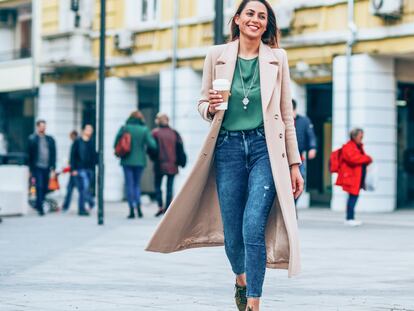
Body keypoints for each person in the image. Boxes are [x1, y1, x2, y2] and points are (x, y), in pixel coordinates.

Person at [146, 1, 303, 310]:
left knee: (252, 224)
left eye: (262, 16)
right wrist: (212, 106)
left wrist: (295, 164)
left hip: (265, 148)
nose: (255, 20)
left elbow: (287, 116)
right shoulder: (217, 55)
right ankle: (241, 279)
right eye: (250, 14)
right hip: (228, 148)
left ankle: (254, 302)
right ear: (237, 19)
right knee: (233, 232)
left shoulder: (278, 59)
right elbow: (203, 102)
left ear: (267, 24)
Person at [114, 110, 157, 219]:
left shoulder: (124, 128)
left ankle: (131, 209)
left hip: (126, 160)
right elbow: (152, 145)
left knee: (129, 184)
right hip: (140, 161)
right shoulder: (144, 129)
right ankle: (138, 207)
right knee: (137, 184)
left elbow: (115, 143)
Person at [336, 128, 372, 226]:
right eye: (361, 136)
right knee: (353, 197)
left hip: (357, 176)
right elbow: (354, 159)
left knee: (354, 197)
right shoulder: (349, 147)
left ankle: (350, 217)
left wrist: (366, 159)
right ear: (355, 136)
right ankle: (349, 218)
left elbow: (360, 158)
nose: (362, 138)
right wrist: (367, 158)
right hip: (351, 177)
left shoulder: (358, 146)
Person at [151, 113, 182, 217]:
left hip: (159, 164)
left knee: (157, 186)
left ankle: (160, 206)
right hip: (172, 164)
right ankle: (167, 209)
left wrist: (154, 158)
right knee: (169, 187)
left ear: (158, 121)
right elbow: (180, 149)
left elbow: (151, 149)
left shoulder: (155, 133)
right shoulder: (174, 133)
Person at [27, 120, 57, 216]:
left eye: (44, 126)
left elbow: (53, 154)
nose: (43, 128)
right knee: (39, 186)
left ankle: (40, 203)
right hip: (37, 167)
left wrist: (53, 168)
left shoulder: (50, 139)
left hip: (47, 167)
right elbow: (29, 154)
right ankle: (40, 207)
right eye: (41, 126)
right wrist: (30, 169)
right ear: (37, 127)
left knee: (45, 187)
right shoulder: (32, 139)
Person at [70, 125, 96, 216]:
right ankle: (83, 208)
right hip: (80, 169)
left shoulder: (92, 142)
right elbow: (72, 156)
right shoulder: (77, 142)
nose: (90, 131)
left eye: (91, 130)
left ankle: (88, 204)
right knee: (83, 189)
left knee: (85, 189)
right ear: (83, 130)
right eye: (88, 129)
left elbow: (93, 156)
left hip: (89, 169)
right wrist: (73, 169)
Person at [292, 99, 317, 185]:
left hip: (299, 158)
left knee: (299, 182)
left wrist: (312, 148)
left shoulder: (304, 121)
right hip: (283, 158)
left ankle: (293, 199)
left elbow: (311, 135)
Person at [62, 130, 78, 212]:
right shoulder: (76, 143)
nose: (70, 138)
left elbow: (75, 158)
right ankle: (65, 206)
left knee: (77, 189)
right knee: (70, 188)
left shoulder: (76, 143)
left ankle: (65, 206)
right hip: (73, 170)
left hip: (74, 171)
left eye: (70, 136)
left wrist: (74, 169)